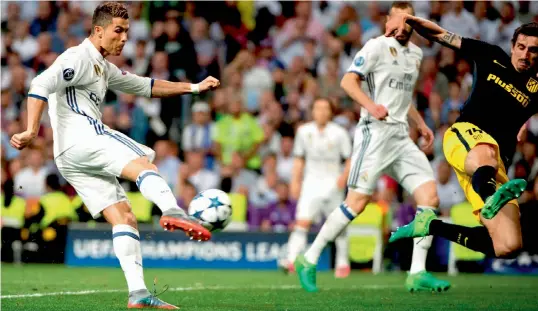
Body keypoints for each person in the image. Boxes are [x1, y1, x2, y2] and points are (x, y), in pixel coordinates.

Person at [9, 2, 220, 309]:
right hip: (84, 138)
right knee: (143, 163)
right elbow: (40, 83)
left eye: (127, 32)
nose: (123, 39)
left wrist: (194, 87)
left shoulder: (103, 67)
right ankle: (172, 209)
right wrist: (30, 130)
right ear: (98, 31)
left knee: (124, 216)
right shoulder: (78, 57)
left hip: (69, 157)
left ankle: (138, 294)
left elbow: (146, 86)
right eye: (118, 31)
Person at [294, 2, 450, 293]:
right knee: (357, 203)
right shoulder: (376, 47)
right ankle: (309, 258)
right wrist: (371, 106)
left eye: (409, 21)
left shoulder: (416, 54)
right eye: (399, 20)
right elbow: (347, 82)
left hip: (401, 137)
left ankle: (417, 272)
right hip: (374, 134)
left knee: (430, 197)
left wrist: (420, 124)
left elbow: (402, 98)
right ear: (389, 20)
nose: (403, 26)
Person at [386, 9, 538, 260]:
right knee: (486, 153)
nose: (525, 54)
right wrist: (411, 22)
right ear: (512, 46)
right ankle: (491, 196)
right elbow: (441, 35)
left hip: (493, 167)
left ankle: (430, 225)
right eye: (521, 46)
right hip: (465, 136)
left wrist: (522, 123)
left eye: (533, 50)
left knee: (508, 246)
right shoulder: (490, 55)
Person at [286, 97, 352, 278]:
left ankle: (342, 263)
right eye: (318, 108)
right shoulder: (303, 131)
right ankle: (291, 260)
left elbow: (349, 159)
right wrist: (295, 181)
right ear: (312, 111)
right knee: (302, 221)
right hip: (311, 182)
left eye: (325, 108)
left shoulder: (339, 133)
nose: (321, 112)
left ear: (330, 112)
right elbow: (299, 159)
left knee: (337, 224)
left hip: (333, 183)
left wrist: (343, 178)